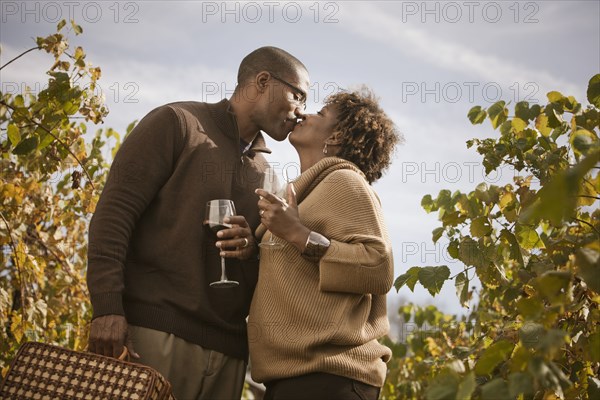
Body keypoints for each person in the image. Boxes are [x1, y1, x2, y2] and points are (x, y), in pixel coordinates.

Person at [86, 46, 309, 400]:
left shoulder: (270, 178)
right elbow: (114, 216)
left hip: (230, 357)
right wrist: (107, 308)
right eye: (298, 95)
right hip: (153, 338)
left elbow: (269, 269)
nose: (303, 111)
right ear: (263, 81)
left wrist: (251, 250)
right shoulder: (176, 123)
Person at [247, 88, 402, 400]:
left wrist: (298, 234)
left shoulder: (345, 181)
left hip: (332, 379)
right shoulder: (305, 193)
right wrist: (249, 247)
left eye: (320, 113)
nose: (304, 114)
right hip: (292, 380)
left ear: (337, 135)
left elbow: (378, 267)